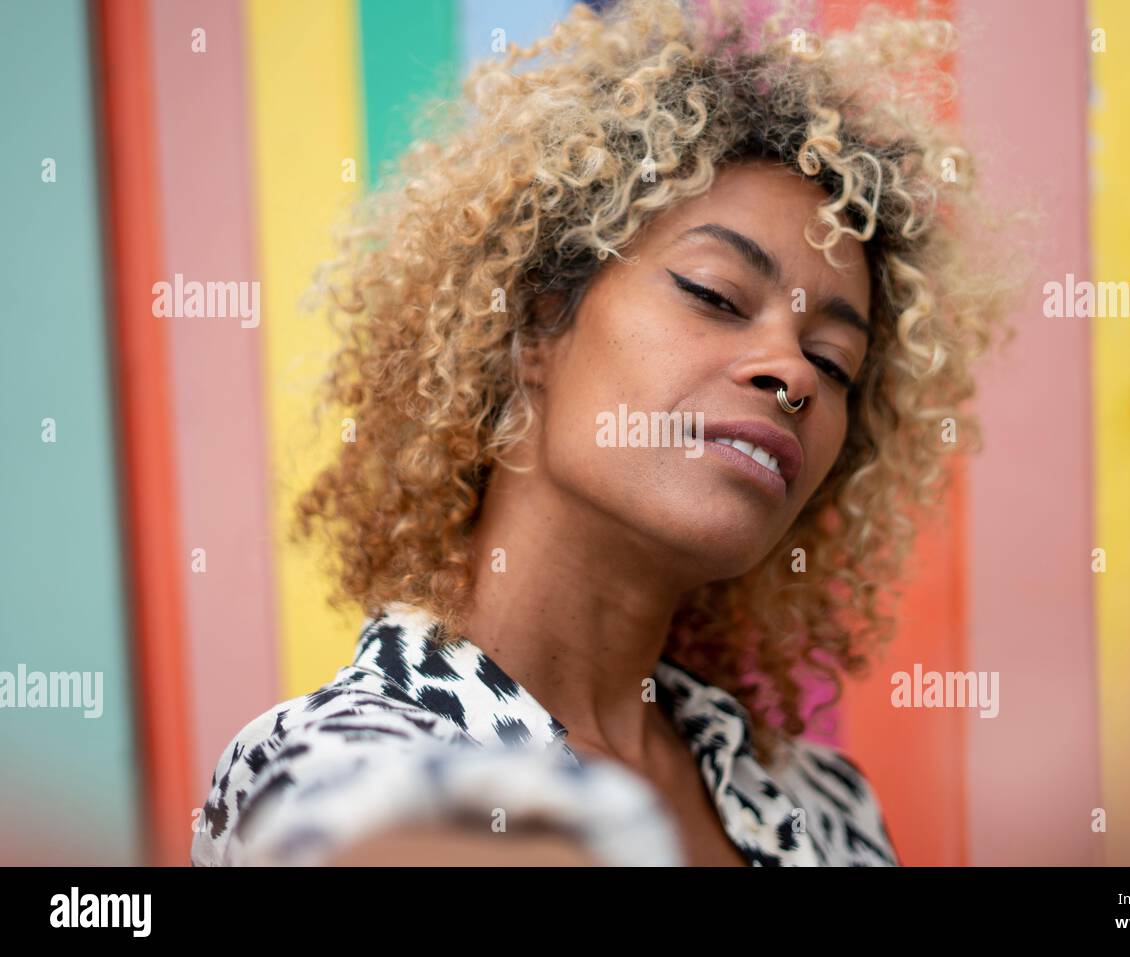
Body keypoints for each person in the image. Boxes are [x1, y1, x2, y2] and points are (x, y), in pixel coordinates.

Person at [192, 0, 1007, 867]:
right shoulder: (341, 774)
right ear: (539, 323)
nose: (793, 373)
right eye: (716, 295)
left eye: (834, 361)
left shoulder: (824, 804)